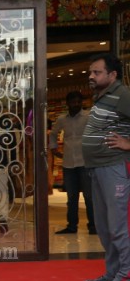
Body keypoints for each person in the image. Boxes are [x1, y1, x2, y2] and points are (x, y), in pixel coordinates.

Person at [80, 54, 130, 281]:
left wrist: (128, 144)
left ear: (112, 75)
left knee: (119, 226)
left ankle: (127, 278)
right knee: (104, 226)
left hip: (115, 166)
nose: (91, 76)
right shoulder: (102, 96)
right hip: (98, 167)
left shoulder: (123, 95)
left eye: (97, 72)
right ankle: (113, 274)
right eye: (91, 72)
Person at [49, 91, 95, 235]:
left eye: (78, 102)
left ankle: (93, 226)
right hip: (68, 163)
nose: (76, 104)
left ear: (82, 103)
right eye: (73, 102)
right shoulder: (62, 119)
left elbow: (97, 132)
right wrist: (53, 148)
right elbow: (53, 133)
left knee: (89, 196)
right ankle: (71, 226)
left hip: (85, 161)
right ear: (68, 103)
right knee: (72, 197)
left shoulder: (88, 116)